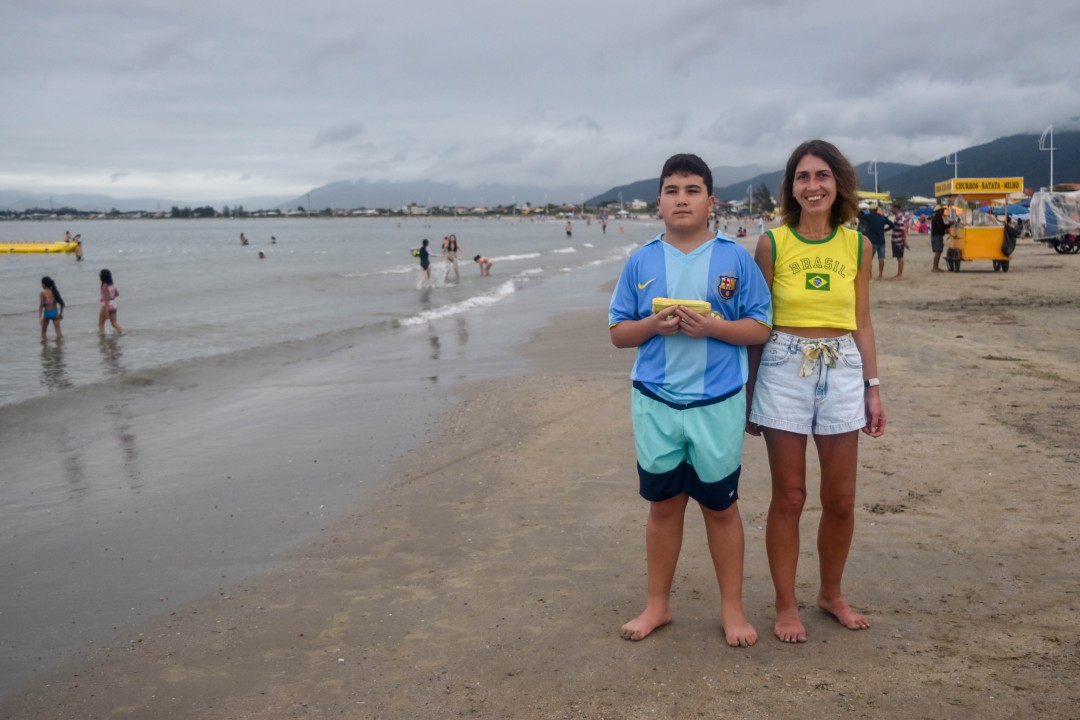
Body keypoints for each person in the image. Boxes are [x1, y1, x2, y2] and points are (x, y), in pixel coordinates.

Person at [609, 153, 772, 648]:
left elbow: (761, 326)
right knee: (663, 507)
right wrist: (651, 325)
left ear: (711, 201)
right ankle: (657, 604)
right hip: (655, 401)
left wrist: (713, 328)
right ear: (658, 202)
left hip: (717, 402)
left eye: (693, 190)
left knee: (721, 508)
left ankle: (732, 609)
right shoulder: (641, 261)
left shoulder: (734, 258)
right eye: (673, 191)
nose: (682, 199)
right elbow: (618, 333)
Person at [746, 139, 886, 644]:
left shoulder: (858, 246)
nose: (813, 186)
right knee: (790, 495)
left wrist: (872, 388)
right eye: (802, 177)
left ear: (838, 183)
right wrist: (750, 391)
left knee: (841, 499)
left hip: (843, 366)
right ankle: (786, 604)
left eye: (822, 175)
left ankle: (831, 593)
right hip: (783, 367)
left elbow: (862, 320)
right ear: (791, 187)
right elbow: (758, 322)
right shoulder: (772, 244)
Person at [860, 202, 894, 280]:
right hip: (881, 240)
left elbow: (860, 216)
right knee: (881, 258)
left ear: (871, 210)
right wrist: (885, 230)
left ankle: (870, 275)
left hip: (872, 241)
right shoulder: (883, 217)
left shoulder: (868, 217)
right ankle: (880, 275)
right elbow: (892, 225)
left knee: (869, 259)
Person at [98, 268, 125, 334]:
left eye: (100, 274)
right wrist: (111, 296)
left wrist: (106, 311)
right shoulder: (112, 285)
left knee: (101, 323)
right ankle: (123, 332)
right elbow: (117, 294)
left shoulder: (105, 286)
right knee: (114, 323)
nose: (99, 275)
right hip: (113, 304)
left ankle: (102, 337)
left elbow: (106, 299)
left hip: (106, 305)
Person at [889, 203, 910, 279]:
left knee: (900, 257)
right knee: (899, 257)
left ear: (896, 209)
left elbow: (903, 230)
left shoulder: (899, 217)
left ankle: (900, 274)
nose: (891, 210)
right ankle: (899, 274)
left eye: (892, 208)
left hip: (898, 241)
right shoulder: (898, 217)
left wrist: (904, 241)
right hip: (897, 240)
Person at [930, 206, 953, 272]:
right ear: (938, 211)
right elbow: (941, 227)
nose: (943, 212)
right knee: (938, 251)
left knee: (938, 251)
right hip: (937, 236)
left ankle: (936, 267)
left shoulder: (937, 217)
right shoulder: (937, 217)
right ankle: (935, 267)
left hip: (936, 236)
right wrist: (949, 224)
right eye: (942, 210)